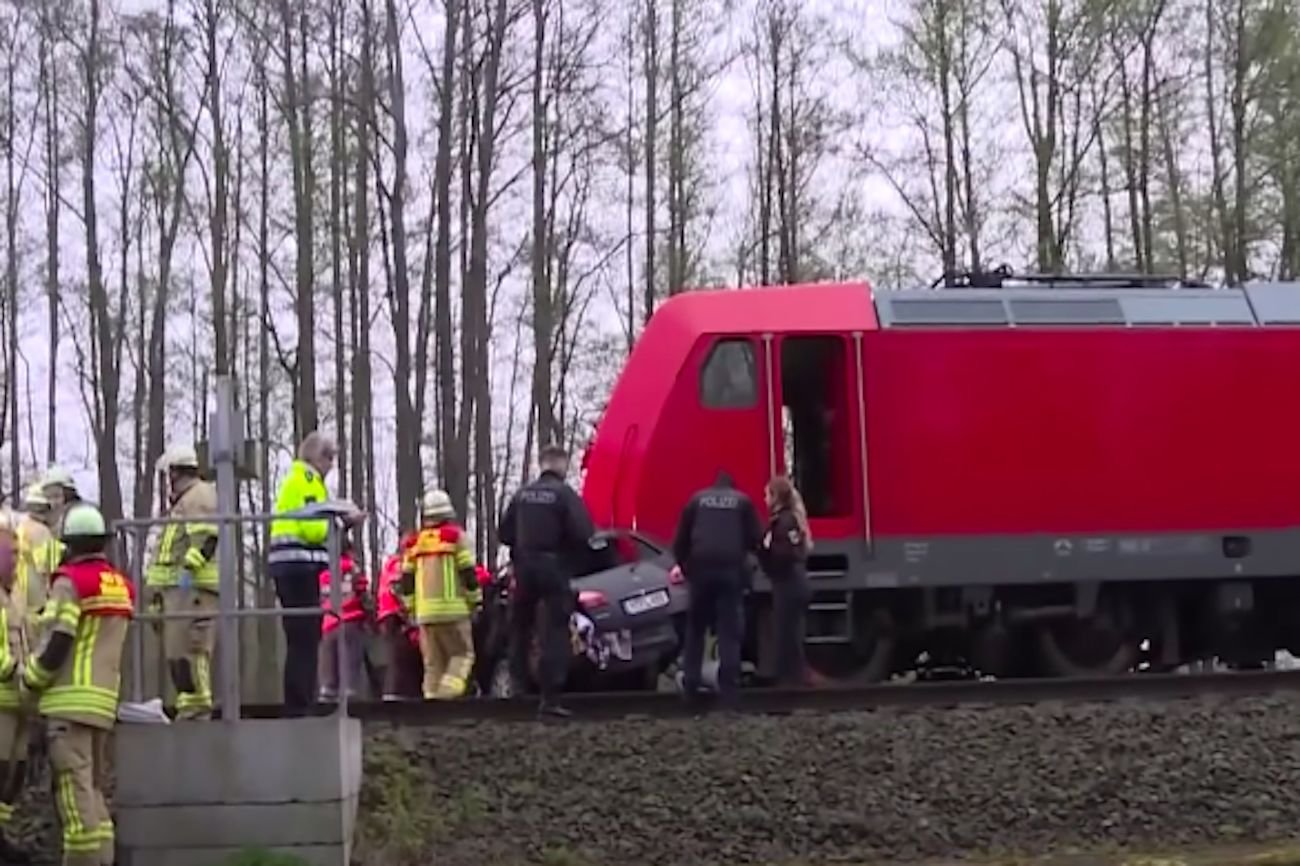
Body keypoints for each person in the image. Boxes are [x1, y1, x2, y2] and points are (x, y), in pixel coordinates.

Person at [23, 502, 135, 866]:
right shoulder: (120, 586)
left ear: (70, 544)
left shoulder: (71, 582)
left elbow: (59, 639)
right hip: (102, 705)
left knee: (75, 798)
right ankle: (103, 859)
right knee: (94, 796)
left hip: (69, 704)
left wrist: (31, 680)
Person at [498, 444, 596, 718]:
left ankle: (517, 691)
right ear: (562, 465)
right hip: (553, 567)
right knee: (555, 631)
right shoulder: (565, 495)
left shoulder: (521, 495)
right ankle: (550, 698)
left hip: (524, 567)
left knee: (520, 627)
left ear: (541, 464)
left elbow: (503, 533)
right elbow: (584, 533)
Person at [268, 432, 363, 713]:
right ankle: (299, 706)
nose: (331, 465)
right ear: (314, 456)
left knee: (302, 636)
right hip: (298, 564)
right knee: (305, 637)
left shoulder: (297, 480)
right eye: (328, 457)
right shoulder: (307, 481)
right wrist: (342, 523)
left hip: (290, 565)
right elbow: (311, 526)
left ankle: (299, 703)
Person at [672, 469, 763, 709]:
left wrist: (685, 566)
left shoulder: (696, 500)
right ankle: (729, 693)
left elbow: (680, 539)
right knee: (729, 632)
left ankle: (690, 687)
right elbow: (757, 538)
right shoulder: (742, 501)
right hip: (730, 570)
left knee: (695, 630)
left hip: (701, 570)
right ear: (732, 487)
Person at [145, 445, 219, 720]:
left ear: (175, 472)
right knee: (178, 653)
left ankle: (197, 710)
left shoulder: (199, 496)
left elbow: (207, 540)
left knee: (193, 649)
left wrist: (187, 575)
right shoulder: (184, 501)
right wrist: (157, 594)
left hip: (192, 589)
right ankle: (189, 708)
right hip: (177, 592)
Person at [397, 491, 480, 700]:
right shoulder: (456, 538)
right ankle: (447, 696)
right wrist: (475, 600)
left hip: (425, 615)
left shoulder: (414, 543)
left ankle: (431, 704)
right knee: (462, 655)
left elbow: (406, 580)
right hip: (455, 612)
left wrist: (411, 607)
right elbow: (468, 572)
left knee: (433, 664)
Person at [759, 475, 813, 687]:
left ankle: (790, 684)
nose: (764, 499)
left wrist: (765, 552)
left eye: (766, 495)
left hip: (788, 584)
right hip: (791, 583)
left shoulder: (784, 521)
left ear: (775, 497)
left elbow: (786, 553)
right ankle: (793, 681)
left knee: (786, 635)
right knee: (789, 634)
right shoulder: (787, 520)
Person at [0, 512, 32, 864]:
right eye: (11, 555)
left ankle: (3, 835)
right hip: (2, 697)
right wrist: (10, 670)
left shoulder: (18, 595)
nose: (16, 561)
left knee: (16, 770)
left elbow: (28, 636)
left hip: (22, 699)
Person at [317, 544, 369, 702]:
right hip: (350, 618)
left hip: (328, 621)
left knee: (328, 657)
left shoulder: (324, 570)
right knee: (350, 658)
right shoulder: (351, 567)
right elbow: (362, 587)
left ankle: (327, 688)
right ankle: (349, 690)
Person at [375, 551, 421, 701]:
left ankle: (400, 691)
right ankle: (394, 692)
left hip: (388, 613)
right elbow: (397, 588)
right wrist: (407, 613)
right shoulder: (399, 564)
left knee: (397, 654)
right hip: (393, 614)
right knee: (399, 654)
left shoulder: (390, 563)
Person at [16, 484, 59, 633]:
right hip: (37, 603)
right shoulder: (42, 532)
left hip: (20, 600)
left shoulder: (21, 528)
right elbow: (47, 568)